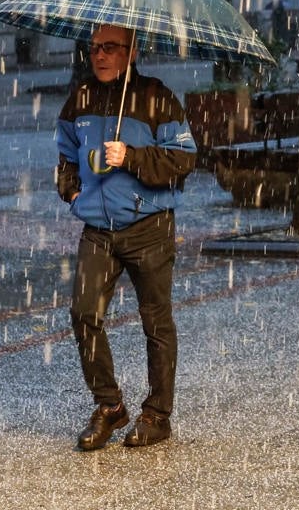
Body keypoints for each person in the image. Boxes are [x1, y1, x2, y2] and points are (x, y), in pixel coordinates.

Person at [55, 23, 197, 451]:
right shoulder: (79, 98)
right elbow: (64, 154)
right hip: (98, 230)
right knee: (84, 313)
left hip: (148, 229)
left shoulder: (157, 98)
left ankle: (157, 415)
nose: (99, 55)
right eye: (94, 47)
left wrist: (131, 158)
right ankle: (110, 406)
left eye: (110, 48)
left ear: (132, 52)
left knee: (156, 323)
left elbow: (185, 158)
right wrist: (72, 188)